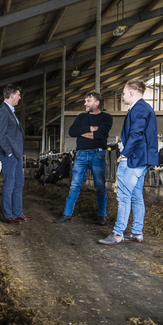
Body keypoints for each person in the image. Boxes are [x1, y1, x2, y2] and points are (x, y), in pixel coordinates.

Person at [98, 79, 158, 245]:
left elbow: (136, 134)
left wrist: (125, 153)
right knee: (136, 196)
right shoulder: (143, 108)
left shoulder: (139, 109)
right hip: (141, 159)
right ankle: (137, 232)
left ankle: (118, 233)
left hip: (134, 159)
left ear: (131, 93)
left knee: (123, 196)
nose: (123, 96)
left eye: (124, 93)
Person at [55, 92, 113, 226]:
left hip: (97, 154)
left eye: (88, 101)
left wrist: (82, 132)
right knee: (74, 185)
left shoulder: (106, 117)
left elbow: (101, 134)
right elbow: (72, 132)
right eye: (85, 101)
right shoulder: (81, 117)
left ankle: (102, 215)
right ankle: (67, 214)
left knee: (100, 186)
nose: (85, 103)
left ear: (97, 103)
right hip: (81, 154)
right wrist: (90, 129)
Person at [0, 84, 32, 225]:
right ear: (11, 96)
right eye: (18, 94)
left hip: (16, 154)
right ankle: (7, 215)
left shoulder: (10, 111)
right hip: (9, 154)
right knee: (9, 184)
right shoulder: (2, 111)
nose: (20, 97)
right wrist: (9, 153)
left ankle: (17, 213)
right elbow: (1, 135)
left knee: (19, 183)